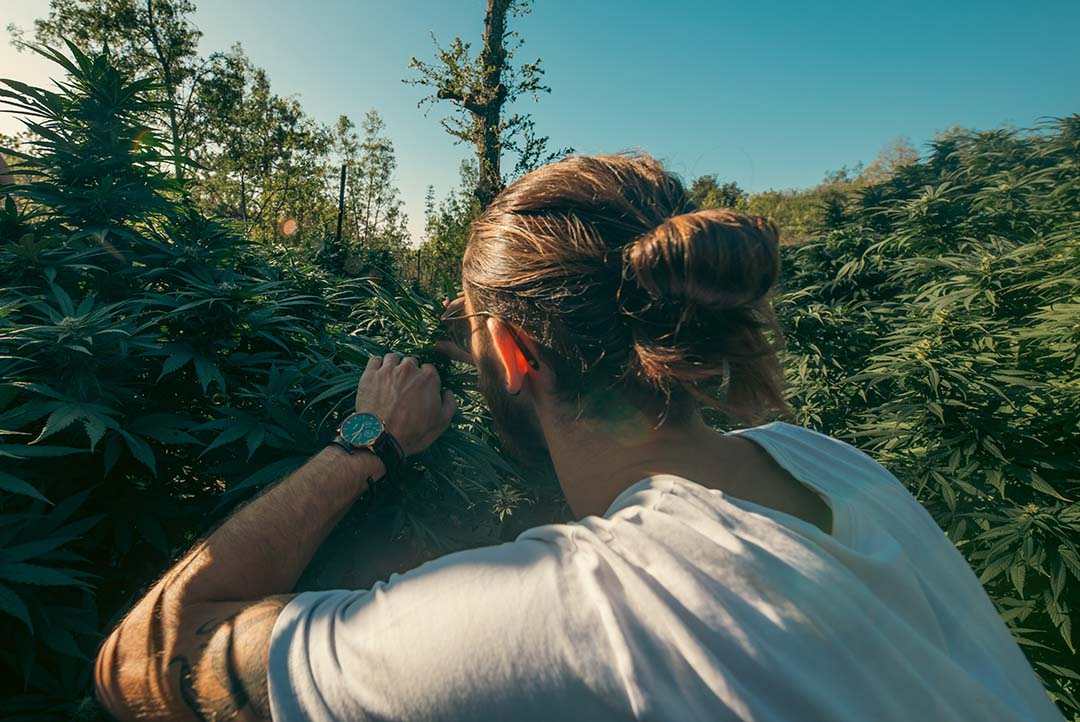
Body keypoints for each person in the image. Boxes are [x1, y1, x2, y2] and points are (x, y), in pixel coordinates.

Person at [93, 153, 1065, 722]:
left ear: (513, 351)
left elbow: (143, 657)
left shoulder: (584, 608)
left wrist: (364, 442)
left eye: (475, 332)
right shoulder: (829, 459)